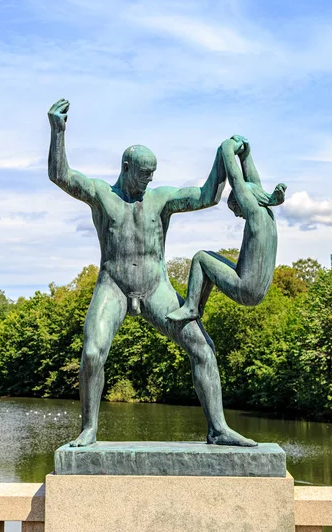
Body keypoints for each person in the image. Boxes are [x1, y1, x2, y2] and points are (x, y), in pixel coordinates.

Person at [48, 98, 256, 447]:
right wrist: (58, 132)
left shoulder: (160, 199)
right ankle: (89, 429)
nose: (149, 179)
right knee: (92, 353)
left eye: (152, 174)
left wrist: (224, 156)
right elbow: (61, 176)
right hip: (113, 285)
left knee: (203, 349)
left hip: (155, 287)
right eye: (144, 173)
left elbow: (207, 196)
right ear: (126, 167)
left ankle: (218, 428)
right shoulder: (102, 195)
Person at [167, 136, 286, 324]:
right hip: (258, 289)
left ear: (243, 202)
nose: (238, 215)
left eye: (236, 208)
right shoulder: (267, 214)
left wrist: (227, 149)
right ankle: (198, 307)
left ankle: (191, 307)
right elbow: (253, 184)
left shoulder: (255, 214)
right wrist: (246, 155)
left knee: (200, 258)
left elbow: (237, 181)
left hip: (246, 288)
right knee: (210, 258)